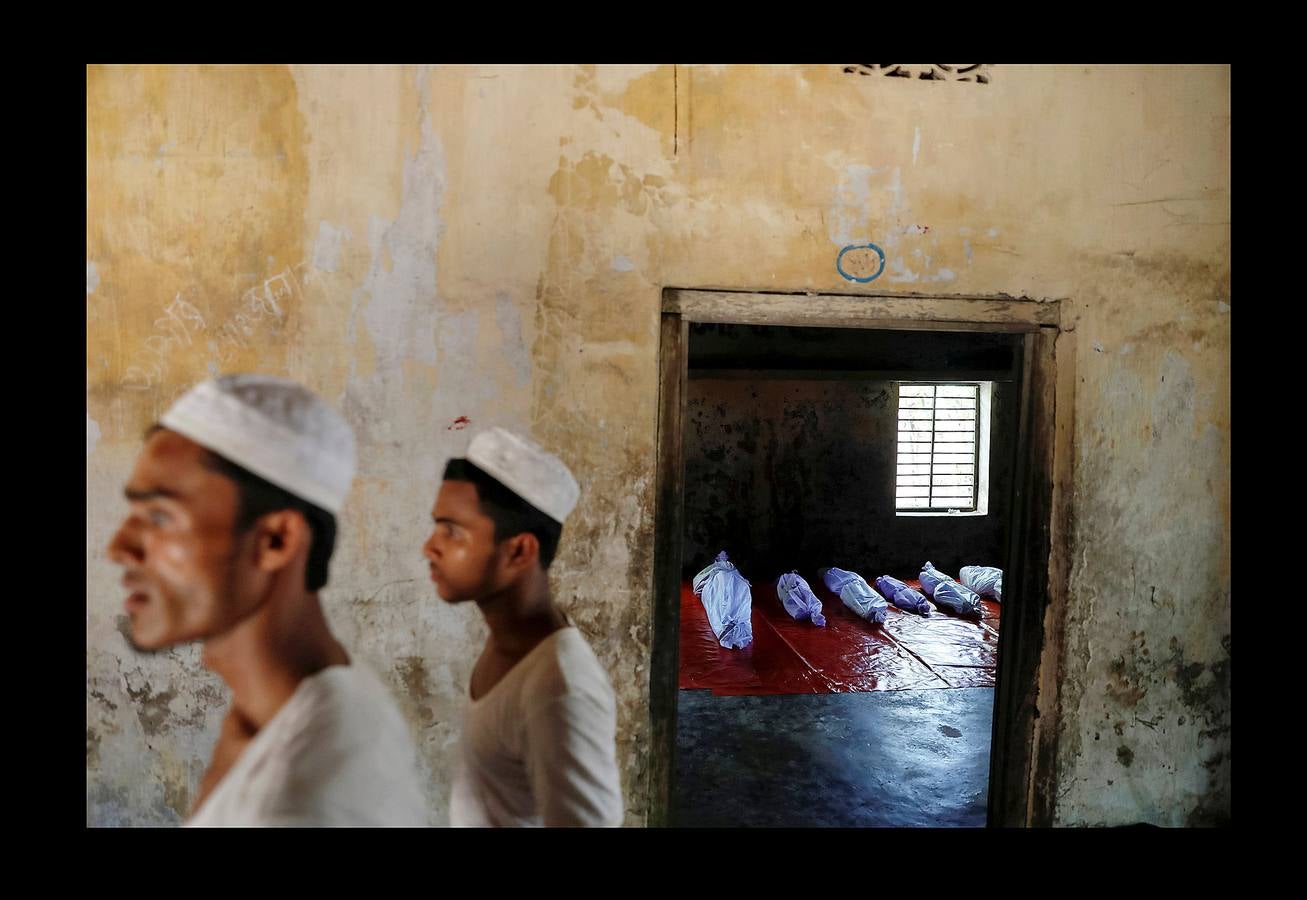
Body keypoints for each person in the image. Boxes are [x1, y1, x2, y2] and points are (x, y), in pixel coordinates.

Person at [106, 374, 428, 826]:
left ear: (276, 539)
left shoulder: (302, 802)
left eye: (160, 515)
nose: (119, 548)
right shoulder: (287, 706)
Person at [424, 427, 623, 826]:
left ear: (519, 550)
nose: (429, 546)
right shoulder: (509, 643)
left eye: (453, 531)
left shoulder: (559, 689)